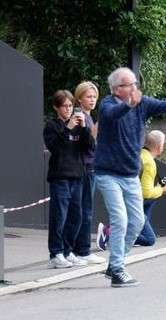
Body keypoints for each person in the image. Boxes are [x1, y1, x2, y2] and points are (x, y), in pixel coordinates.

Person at [94, 67, 166, 287]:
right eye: (130, 84)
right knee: (120, 219)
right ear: (118, 89)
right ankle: (117, 270)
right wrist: (129, 105)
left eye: (135, 83)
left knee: (136, 222)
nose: (135, 87)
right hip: (108, 174)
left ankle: (114, 264)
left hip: (129, 175)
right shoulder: (108, 104)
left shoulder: (142, 104)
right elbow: (111, 116)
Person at [43, 90, 95, 268]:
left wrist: (85, 129)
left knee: (76, 217)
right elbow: (56, 148)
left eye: (71, 106)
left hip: (77, 177)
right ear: (56, 107)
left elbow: (91, 147)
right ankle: (55, 254)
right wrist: (68, 128)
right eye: (64, 106)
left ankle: (67, 251)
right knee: (59, 216)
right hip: (60, 177)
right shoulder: (52, 126)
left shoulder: (78, 125)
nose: (68, 109)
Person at [71, 81, 105, 264]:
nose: (92, 100)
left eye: (94, 97)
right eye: (88, 97)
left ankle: (79, 249)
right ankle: (81, 250)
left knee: (84, 209)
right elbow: (86, 142)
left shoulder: (88, 117)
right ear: (79, 98)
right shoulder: (79, 116)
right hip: (84, 167)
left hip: (89, 166)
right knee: (84, 210)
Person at [135, 130, 166, 246]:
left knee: (153, 198)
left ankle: (139, 226)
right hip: (134, 202)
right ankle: (112, 233)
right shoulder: (150, 163)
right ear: (160, 146)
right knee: (149, 239)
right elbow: (146, 193)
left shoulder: (140, 154)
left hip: (127, 198)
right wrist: (162, 190)